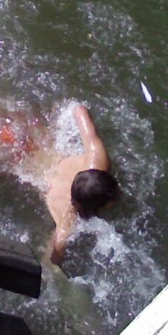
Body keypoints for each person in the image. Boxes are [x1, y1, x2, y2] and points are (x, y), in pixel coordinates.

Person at [43, 104, 120, 265]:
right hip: (36, 170)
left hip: (47, 153)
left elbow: (79, 110)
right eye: (113, 197)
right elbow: (52, 258)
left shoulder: (98, 159)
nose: (119, 194)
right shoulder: (67, 223)